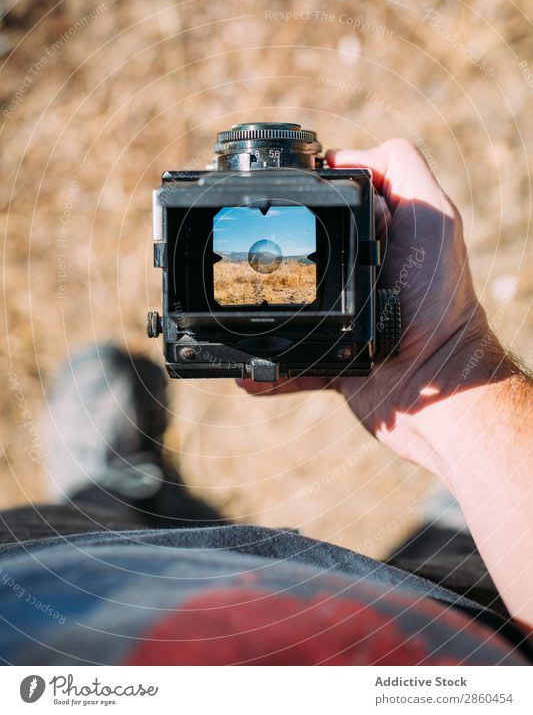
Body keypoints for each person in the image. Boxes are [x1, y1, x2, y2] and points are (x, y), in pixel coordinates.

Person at [0, 139, 531, 666]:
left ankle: (113, 488)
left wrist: (432, 364)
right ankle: (478, 505)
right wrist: (457, 390)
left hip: (63, 600)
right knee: (469, 554)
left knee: (90, 525)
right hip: (441, 646)